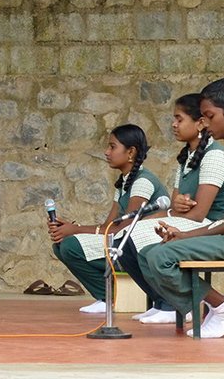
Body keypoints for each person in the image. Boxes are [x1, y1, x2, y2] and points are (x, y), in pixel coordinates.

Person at [140, 76, 224, 338]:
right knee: (153, 251)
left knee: (161, 257)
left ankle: (223, 308)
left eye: (209, 116)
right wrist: (182, 234)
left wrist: (187, 235)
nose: (205, 123)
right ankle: (213, 307)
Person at [117, 94, 224, 324]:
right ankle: (161, 301)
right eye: (173, 119)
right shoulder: (185, 158)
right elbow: (176, 200)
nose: (174, 125)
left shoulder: (214, 155)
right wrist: (175, 206)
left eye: (179, 119)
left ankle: (174, 305)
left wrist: (176, 209)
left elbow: (199, 213)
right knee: (123, 237)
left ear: (200, 123)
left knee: (137, 237)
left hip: (209, 225)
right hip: (186, 219)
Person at [48, 124, 169, 314]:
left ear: (130, 152)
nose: (106, 152)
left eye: (112, 147)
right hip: (120, 241)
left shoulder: (142, 181)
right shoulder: (123, 183)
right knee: (60, 245)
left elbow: (123, 229)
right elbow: (108, 226)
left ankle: (109, 299)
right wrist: (73, 228)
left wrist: (76, 230)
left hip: (135, 250)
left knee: (71, 246)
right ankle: (105, 296)